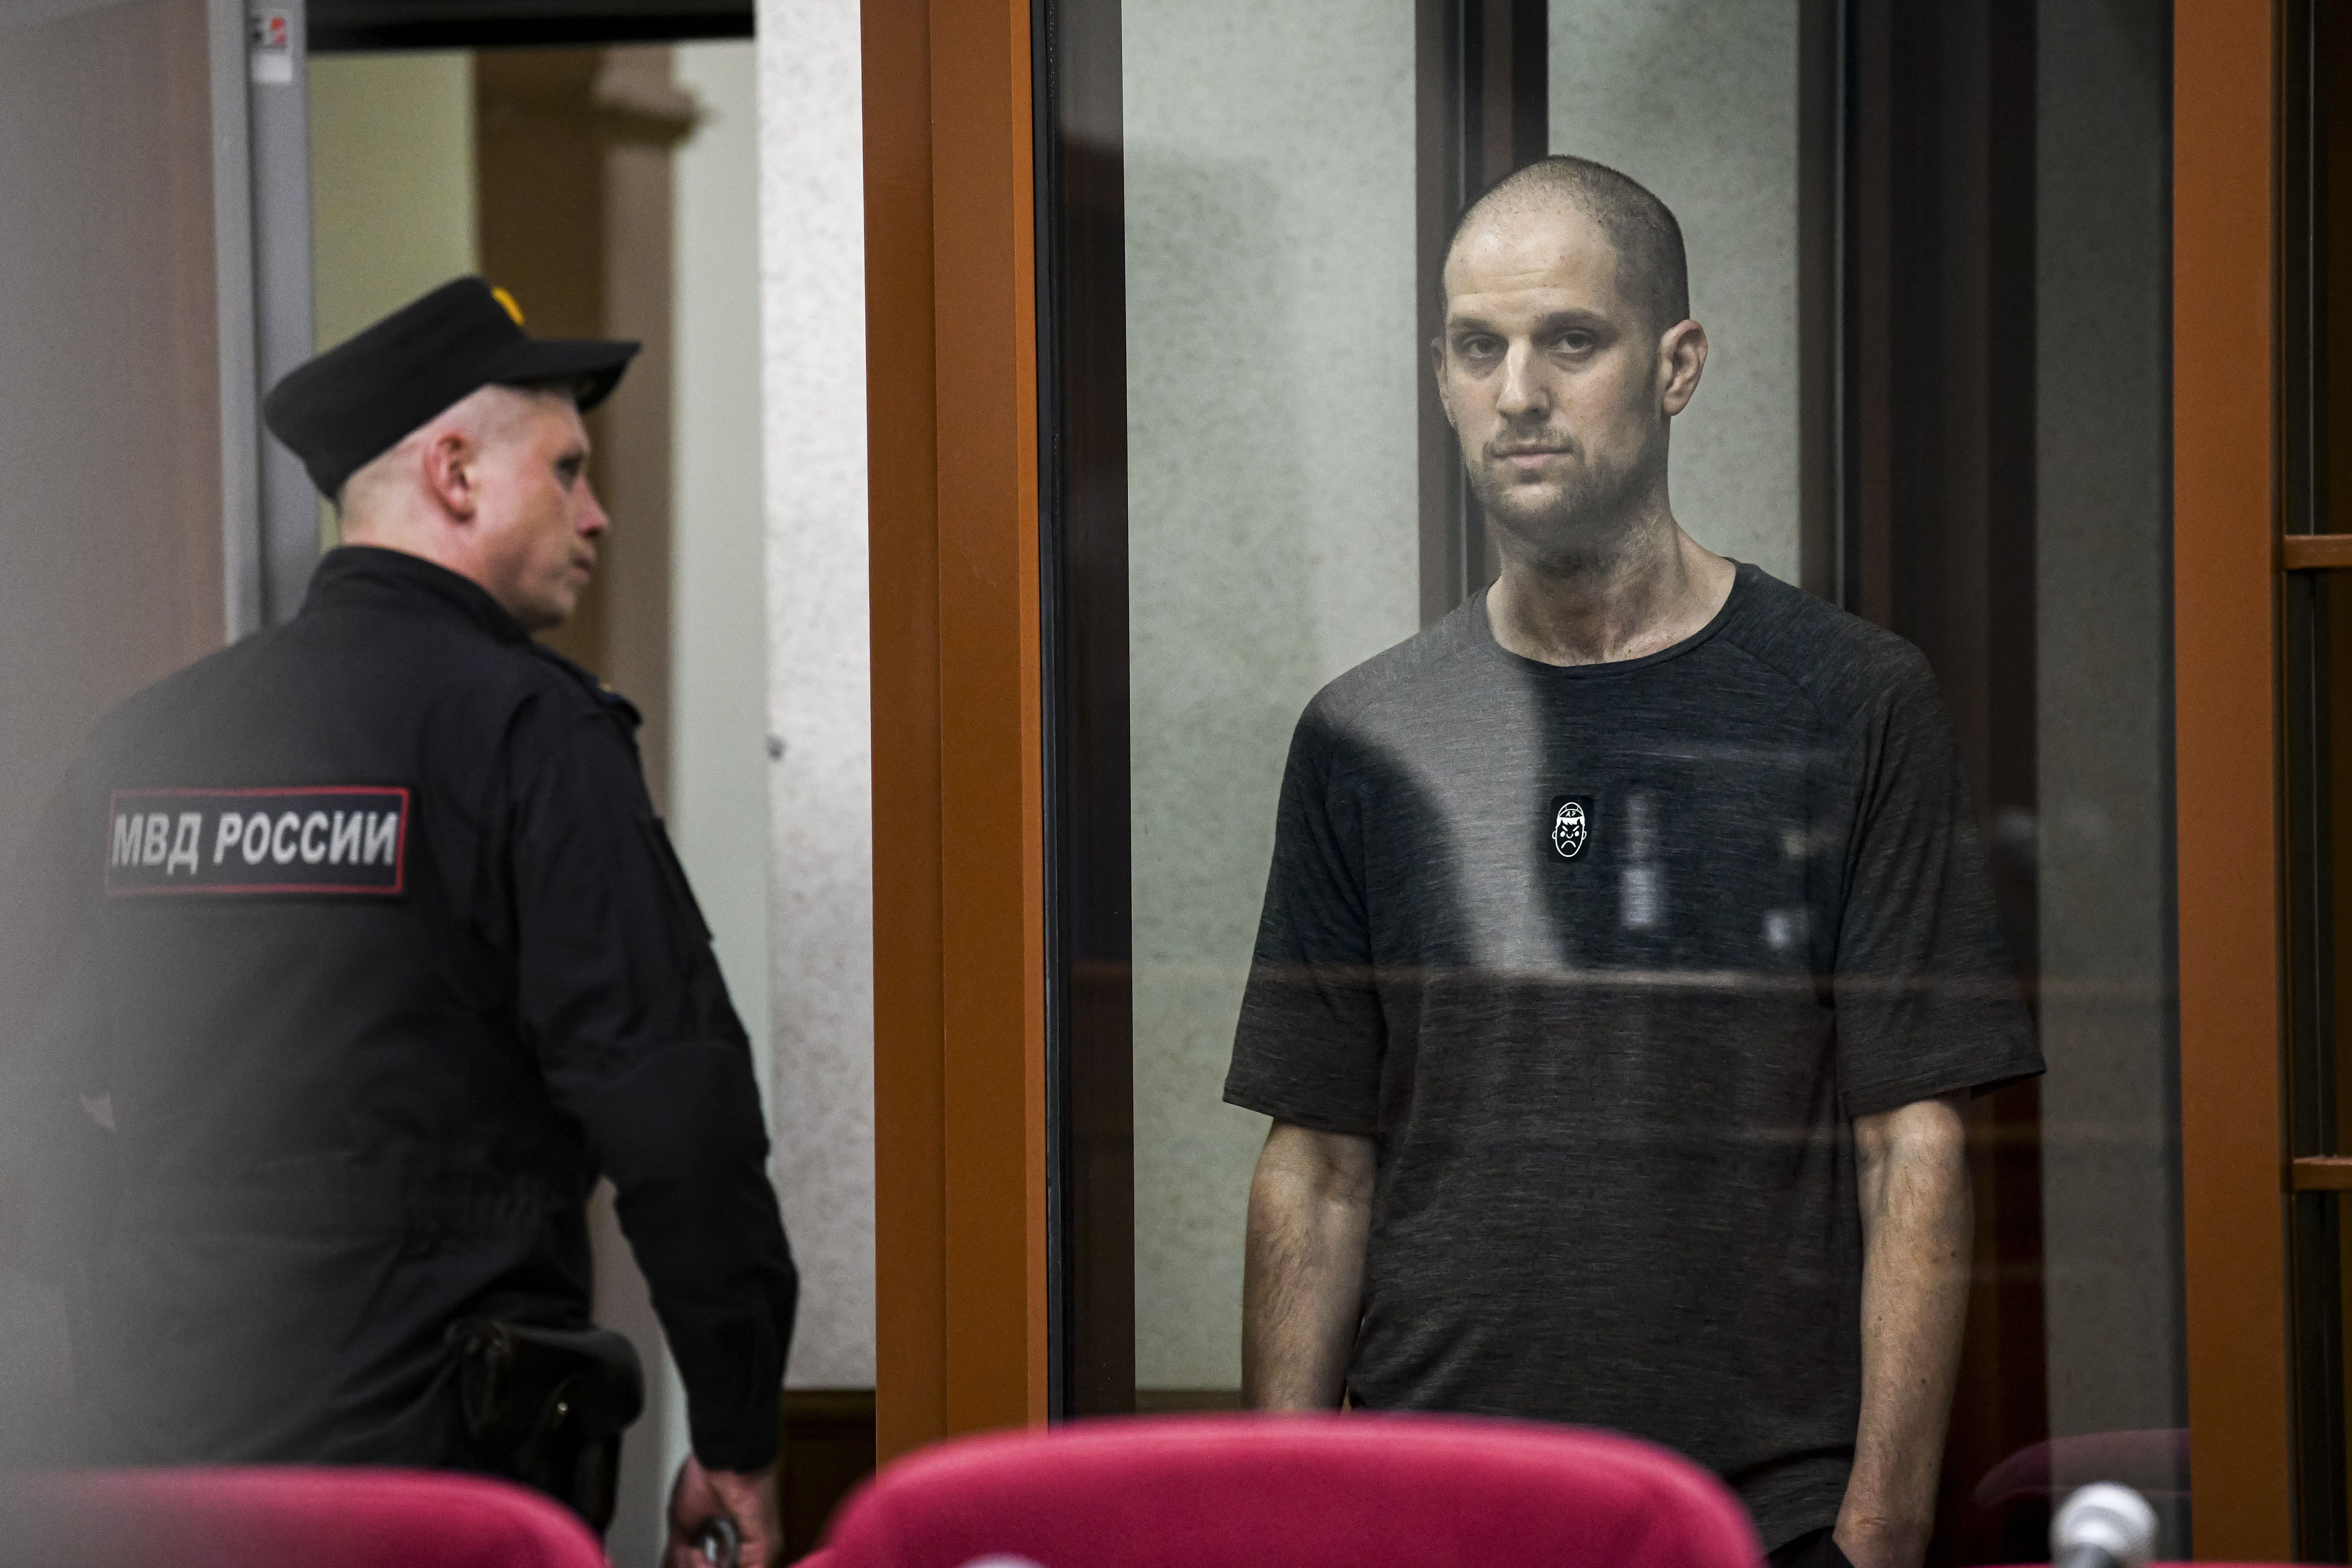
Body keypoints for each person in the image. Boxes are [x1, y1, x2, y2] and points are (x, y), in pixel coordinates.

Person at [1226, 157, 2041, 1568]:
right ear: (1441, 376)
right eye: (1480, 348)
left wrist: (1880, 1536)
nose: (1519, 392)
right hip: (1434, 1512)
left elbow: (1911, 1142)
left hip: (1761, 1521)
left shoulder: (1850, 700)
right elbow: (1317, 1163)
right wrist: (1281, 1525)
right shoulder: (1366, 735)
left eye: (1571, 341)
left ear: (1677, 366)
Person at [3, 279, 795, 1568]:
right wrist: (740, 1424)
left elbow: (19, 1058)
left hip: (160, 1462)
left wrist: (140, 1263)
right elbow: (674, 1109)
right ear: (456, 472)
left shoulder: (143, 743)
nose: (595, 514)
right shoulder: (530, 736)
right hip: (443, 1480)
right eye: (568, 468)